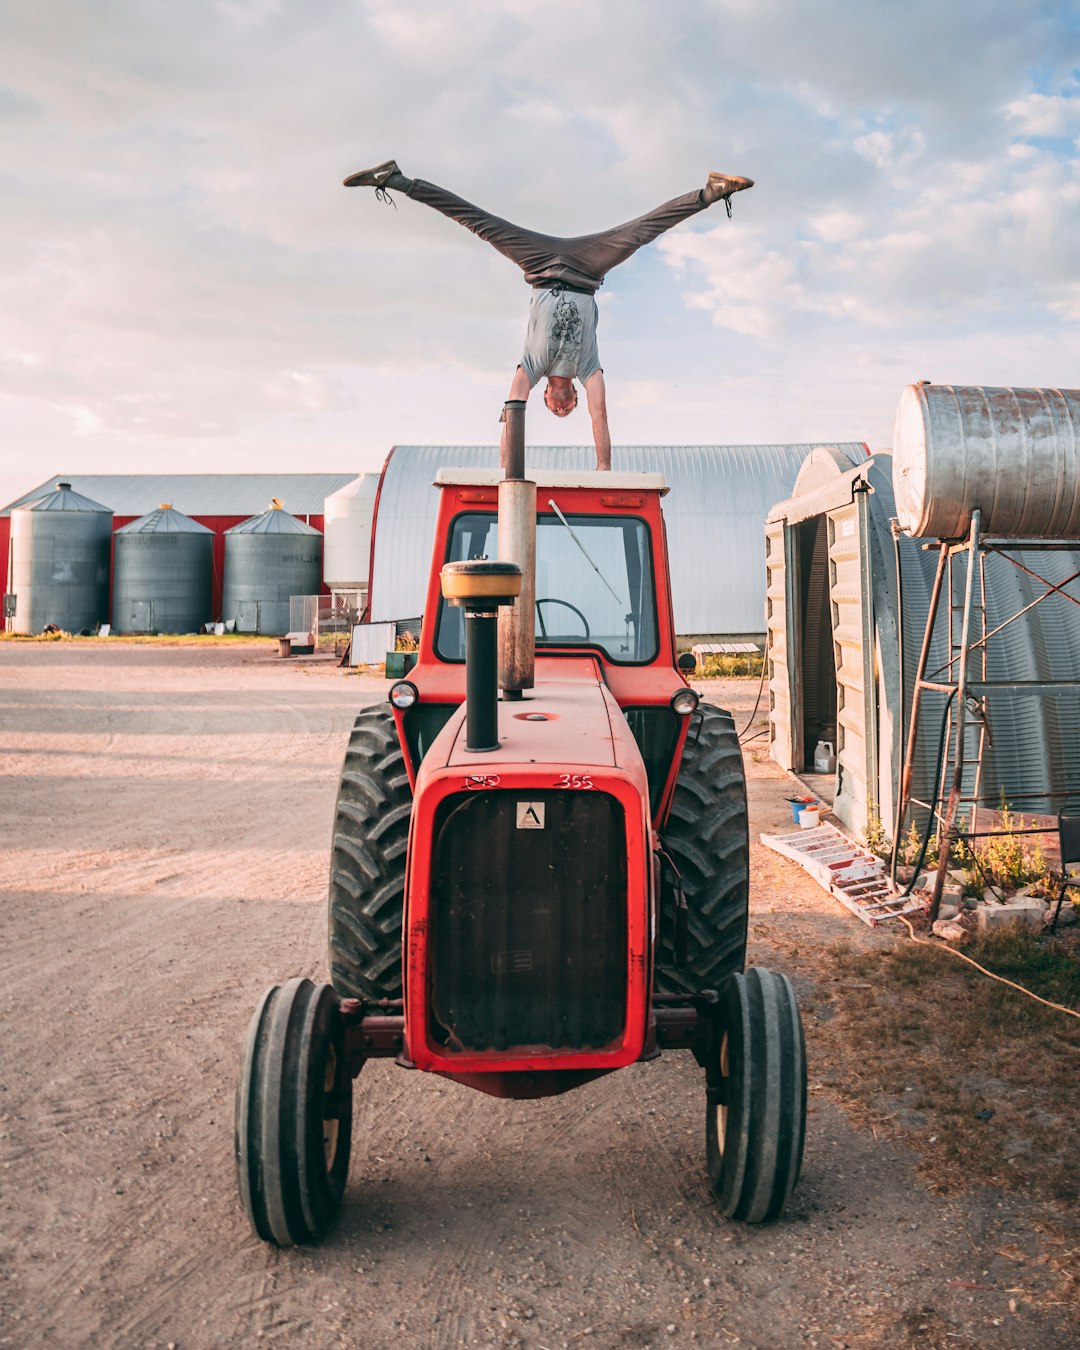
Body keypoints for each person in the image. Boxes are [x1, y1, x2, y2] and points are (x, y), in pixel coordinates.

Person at [344, 161, 753, 469]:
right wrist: (604, 469)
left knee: (479, 224)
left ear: (543, 395)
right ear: (573, 395)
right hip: (587, 268)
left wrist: (508, 474)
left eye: (554, 410)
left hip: (539, 264)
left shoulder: (532, 368)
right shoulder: (588, 369)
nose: (561, 409)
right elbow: (601, 415)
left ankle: (395, 180)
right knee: (640, 232)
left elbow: (511, 408)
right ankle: (711, 192)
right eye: (568, 409)